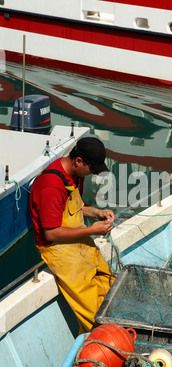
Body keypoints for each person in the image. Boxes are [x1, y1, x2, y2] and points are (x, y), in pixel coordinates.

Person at [30, 136, 116, 334]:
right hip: (58, 250)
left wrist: (97, 212)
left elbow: (75, 209)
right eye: (92, 169)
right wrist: (93, 230)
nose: (93, 174)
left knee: (109, 286)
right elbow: (51, 233)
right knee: (95, 314)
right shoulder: (51, 184)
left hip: (78, 241)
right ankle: (102, 344)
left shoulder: (76, 175)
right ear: (78, 161)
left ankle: (91, 339)